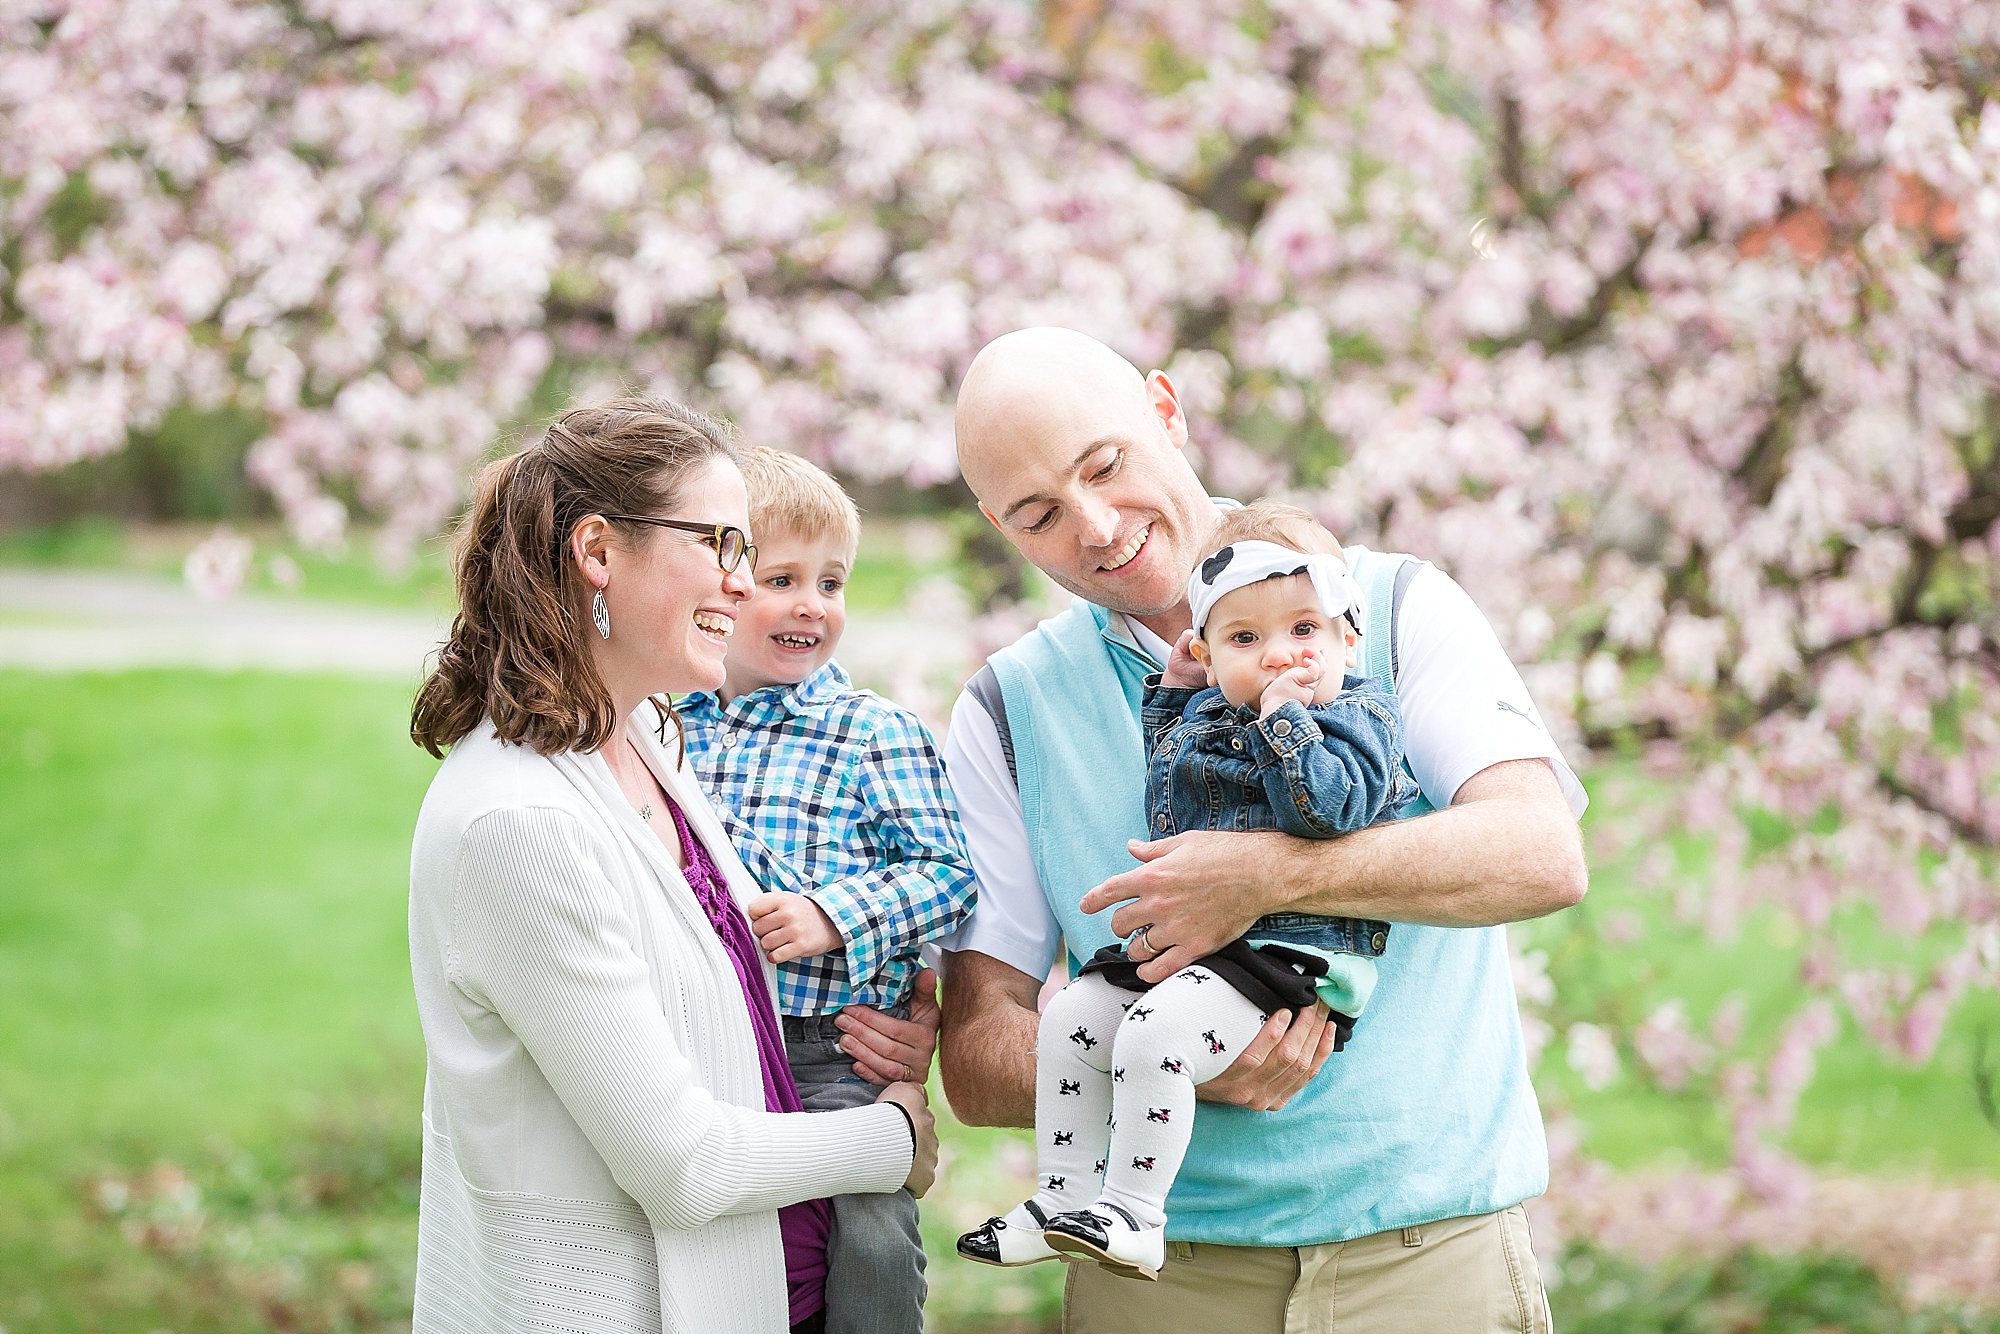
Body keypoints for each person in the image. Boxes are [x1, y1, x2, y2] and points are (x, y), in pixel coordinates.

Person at [938, 329, 1588, 1333]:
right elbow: (979, 1054)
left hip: (1429, 1263)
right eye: (1038, 514)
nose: (1098, 525)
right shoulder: (1006, 709)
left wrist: (1262, 875)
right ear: (998, 527)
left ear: (1166, 409)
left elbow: (1538, 853)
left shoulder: (1391, 606)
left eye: (1104, 465)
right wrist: (1157, 1058)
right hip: (1160, 1289)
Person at [406, 398, 938, 1334]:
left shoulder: (648, 736)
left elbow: (716, 993)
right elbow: (681, 1164)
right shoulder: (517, 822)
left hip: (779, 1291)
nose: (742, 583)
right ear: (599, 551)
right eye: (721, 544)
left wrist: (888, 1022)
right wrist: (892, 1137)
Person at [958, 503, 1414, 1280]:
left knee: (1152, 1035)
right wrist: (1174, 699)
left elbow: (1333, 807)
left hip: (1289, 952)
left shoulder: (1354, 714)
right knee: (1072, 1015)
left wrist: (1285, 722)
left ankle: (1134, 1212)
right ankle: (1063, 1197)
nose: (1279, 657)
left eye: (1305, 631)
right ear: (1204, 649)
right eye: (1245, 638)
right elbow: (1172, 791)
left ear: (1349, 636)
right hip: (1201, 951)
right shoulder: (1210, 707)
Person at [679, 445, 978, 1334]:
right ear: (721, 588)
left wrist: (833, 915)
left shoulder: (871, 734)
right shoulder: (661, 726)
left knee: (871, 1227)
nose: (813, 603)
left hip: (826, 1044)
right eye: (783, 578)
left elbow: (950, 876)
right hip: (701, 1033)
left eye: (833, 582)